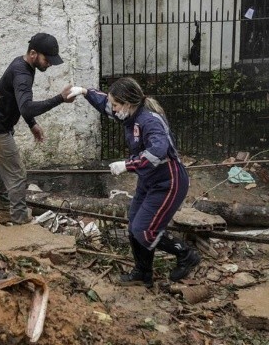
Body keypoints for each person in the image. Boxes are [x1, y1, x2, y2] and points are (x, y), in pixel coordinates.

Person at [69, 77, 201, 286]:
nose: (112, 108)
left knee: (144, 229)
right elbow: (104, 103)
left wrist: (127, 165)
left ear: (127, 103)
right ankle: (143, 272)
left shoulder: (149, 121)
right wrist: (84, 92)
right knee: (134, 224)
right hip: (148, 180)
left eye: (115, 104)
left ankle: (186, 254)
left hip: (169, 181)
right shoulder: (128, 113)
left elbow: (158, 150)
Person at [0, 33, 76, 225]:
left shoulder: (22, 65)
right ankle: (20, 221)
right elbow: (26, 106)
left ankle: (4, 212)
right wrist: (60, 99)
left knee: (0, 170)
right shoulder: (22, 74)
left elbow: (19, 102)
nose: (50, 64)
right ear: (33, 53)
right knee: (16, 174)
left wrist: (32, 124)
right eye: (47, 59)